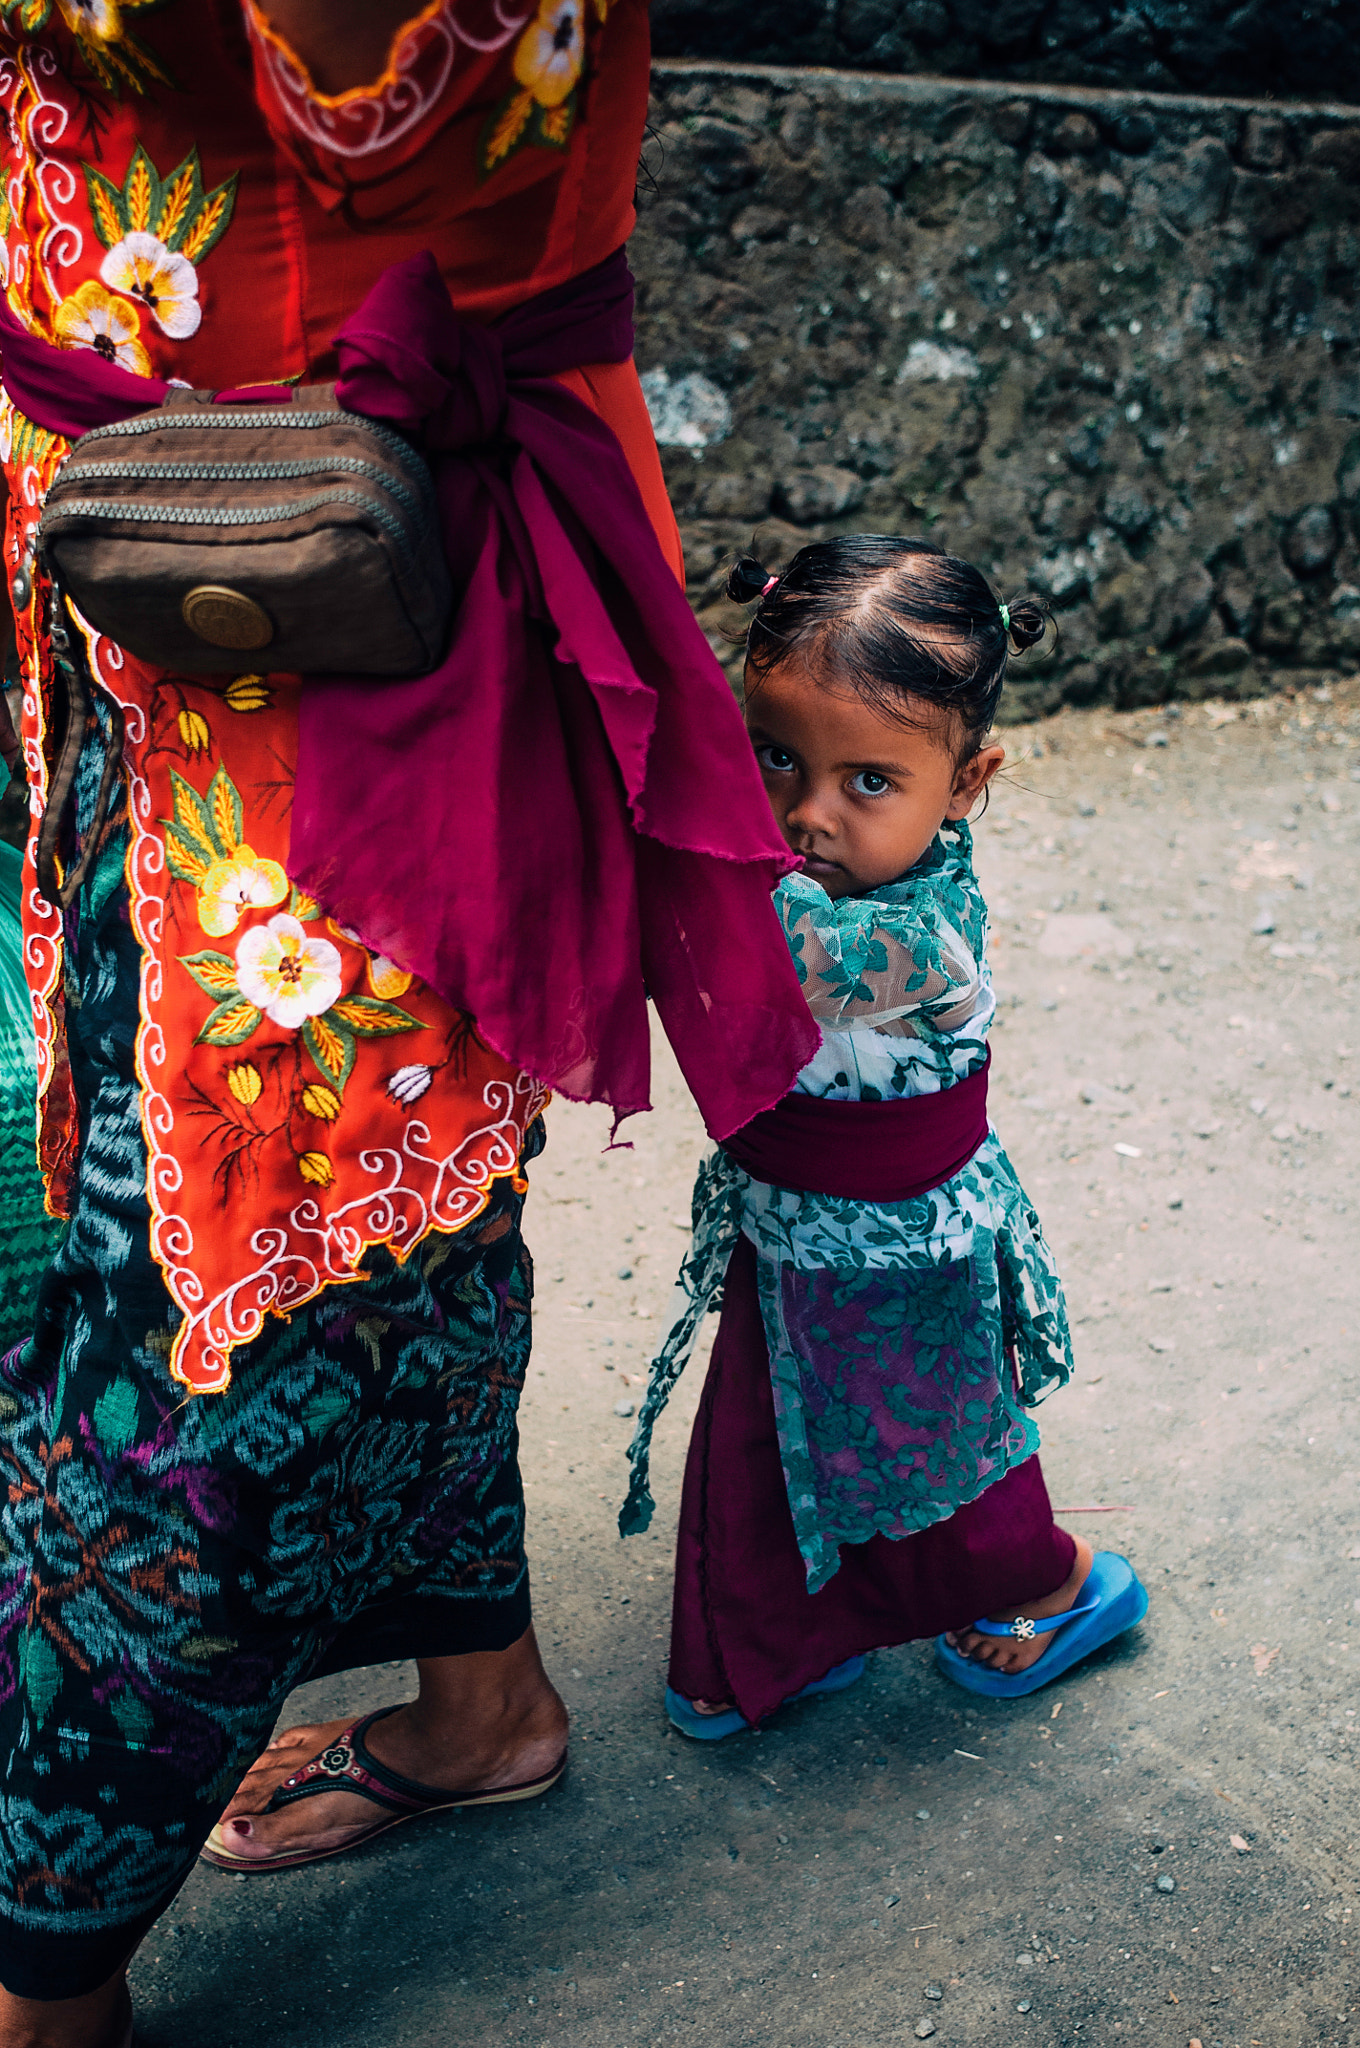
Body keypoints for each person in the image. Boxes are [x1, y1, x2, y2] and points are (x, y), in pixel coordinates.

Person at [0, 4, 816, 2040]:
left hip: (289, 607)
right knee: (393, 1202)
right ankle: (478, 1697)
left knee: (210, 1312)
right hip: (188, 561)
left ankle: (47, 1976)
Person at [621, 536, 1150, 1739]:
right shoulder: (823, 882)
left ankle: (1053, 1589)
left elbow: (747, 939)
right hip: (798, 1225)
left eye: (868, 780)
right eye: (774, 758)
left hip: (911, 1248)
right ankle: (790, 1631)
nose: (808, 813)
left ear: (966, 784)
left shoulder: (898, 940)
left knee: (932, 1439)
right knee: (782, 1427)